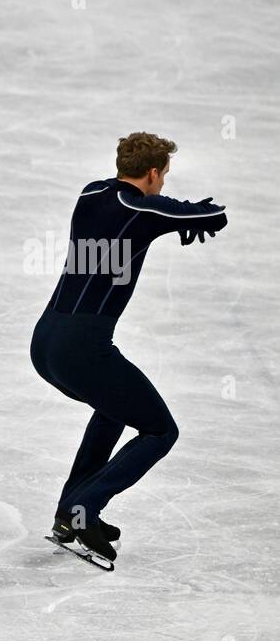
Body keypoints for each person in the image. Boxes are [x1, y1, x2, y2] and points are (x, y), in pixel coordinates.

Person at [31, 132, 227, 566]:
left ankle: (70, 513)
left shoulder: (92, 193)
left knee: (115, 408)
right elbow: (211, 212)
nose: (163, 186)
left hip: (46, 340)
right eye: (164, 177)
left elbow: (141, 216)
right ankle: (84, 510)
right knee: (161, 430)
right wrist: (194, 215)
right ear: (154, 172)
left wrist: (177, 219)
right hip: (83, 347)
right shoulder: (139, 206)